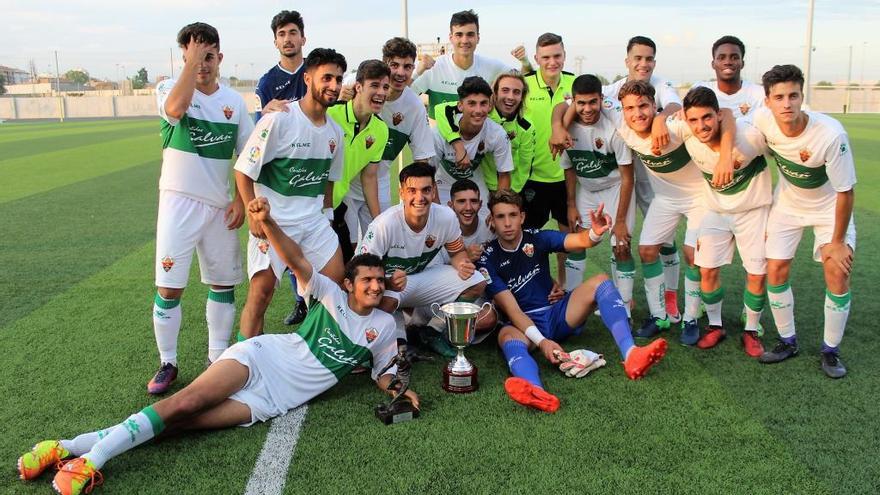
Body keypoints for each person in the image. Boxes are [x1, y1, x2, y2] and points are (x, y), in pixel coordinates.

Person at [16, 198, 417, 495]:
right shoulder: (329, 292)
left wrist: (399, 391)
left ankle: (63, 448)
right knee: (184, 403)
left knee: (182, 425)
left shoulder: (383, 325)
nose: (374, 286)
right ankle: (89, 462)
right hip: (261, 358)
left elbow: (383, 371)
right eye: (366, 279)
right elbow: (295, 259)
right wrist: (269, 222)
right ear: (349, 283)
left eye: (379, 281)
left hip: (272, 400)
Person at [477, 190, 667, 413]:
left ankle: (632, 353)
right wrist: (542, 342)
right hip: (523, 324)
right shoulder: (487, 259)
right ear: (492, 220)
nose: (507, 223)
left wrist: (595, 233)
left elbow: (578, 240)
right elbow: (513, 310)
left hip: (557, 314)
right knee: (506, 336)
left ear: (522, 217)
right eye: (500, 217)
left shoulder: (537, 238)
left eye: (512, 215)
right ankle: (537, 391)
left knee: (601, 282)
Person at [148, 22, 254, 395]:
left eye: (208, 57)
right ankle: (168, 361)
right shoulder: (170, 89)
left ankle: (217, 358)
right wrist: (189, 68)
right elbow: (175, 109)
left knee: (222, 283)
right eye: (194, 57)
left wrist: (241, 200)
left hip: (219, 207)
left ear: (220, 57)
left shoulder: (234, 103)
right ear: (184, 58)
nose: (202, 65)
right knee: (169, 287)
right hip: (178, 202)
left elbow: (247, 155)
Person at [234, 48, 347, 339]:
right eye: (326, 78)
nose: (333, 86)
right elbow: (243, 171)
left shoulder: (335, 133)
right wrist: (253, 216)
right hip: (274, 222)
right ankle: (246, 364)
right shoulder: (279, 120)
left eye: (338, 79)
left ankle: (313, 351)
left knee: (334, 285)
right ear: (308, 78)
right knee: (261, 295)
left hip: (312, 223)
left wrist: (328, 217)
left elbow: (328, 183)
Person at [752, 65, 856, 378]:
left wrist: (836, 242)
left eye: (793, 95)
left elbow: (846, 192)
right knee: (776, 270)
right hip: (787, 205)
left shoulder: (830, 134)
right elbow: (732, 122)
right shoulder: (761, 119)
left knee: (836, 271)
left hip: (829, 208)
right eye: (779, 97)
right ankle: (787, 340)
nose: (787, 103)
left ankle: (830, 351)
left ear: (802, 96)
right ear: (768, 101)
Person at [613, 80, 734, 344]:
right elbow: (575, 102)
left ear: (653, 105)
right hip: (666, 198)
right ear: (622, 110)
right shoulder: (623, 126)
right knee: (646, 251)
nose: (637, 113)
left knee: (693, 255)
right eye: (629, 108)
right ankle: (660, 316)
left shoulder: (676, 126)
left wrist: (663, 117)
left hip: (699, 197)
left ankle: (690, 318)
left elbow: (727, 119)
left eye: (643, 106)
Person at [357, 162, 488, 357]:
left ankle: (432, 331)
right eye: (412, 190)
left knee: (476, 281)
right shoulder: (384, 225)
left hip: (421, 279)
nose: (419, 197)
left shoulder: (445, 217)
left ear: (434, 190)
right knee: (388, 300)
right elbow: (360, 274)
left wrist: (462, 264)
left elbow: (457, 252)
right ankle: (388, 343)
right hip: (390, 287)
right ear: (401, 192)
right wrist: (386, 283)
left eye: (426, 190)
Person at [680, 86, 772, 355]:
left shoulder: (750, 137)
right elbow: (665, 119)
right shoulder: (687, 134)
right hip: (716, 211)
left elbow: (779, 152)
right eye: (694, 120)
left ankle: (751, 330)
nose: (701, 126)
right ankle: (716, 325)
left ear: (718, 115)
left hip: (753, 212)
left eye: (707, 117)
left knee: (756, 273)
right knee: (706, 269)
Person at [601, 36, 686, 321]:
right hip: (620, 174)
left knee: (664, 239)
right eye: (637, 58)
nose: (643, 64)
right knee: (619, 237)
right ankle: (623, 301)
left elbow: (676, 107)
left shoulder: (661, 85)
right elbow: (576, 100)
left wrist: (661, 118)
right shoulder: (613, 89)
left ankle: (670, 298)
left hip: (654, 176)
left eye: (649, 58)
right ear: (627, 61)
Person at [559, 75, 636, 317]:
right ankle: (571, 301)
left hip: (615, 189)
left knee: (621, 247)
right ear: (573, 102)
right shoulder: (566, 128)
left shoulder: (615, 128)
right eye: (581, 103)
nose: (587, 108)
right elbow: (569, 168)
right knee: (577, 243)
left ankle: (623, 307)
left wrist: (621, 220)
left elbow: (627, 177)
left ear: (601, 99)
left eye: (593, 102)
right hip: (586, 191)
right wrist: (571, 204)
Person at [253, 10, 311, 326]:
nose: (288, 39)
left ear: (303, 37)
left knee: (320, 241)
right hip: (284, 176)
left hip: (315, 170)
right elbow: (260, 126)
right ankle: (301, 302)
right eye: (281, 34)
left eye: (292, 32)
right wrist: (265, 111)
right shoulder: (268, 81)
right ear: (275, 41)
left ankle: (317, 299)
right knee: (285, 244)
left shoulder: (315, 72)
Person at [521, 33, 575, 286]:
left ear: (564, 55)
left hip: (568, 177)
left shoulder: (575, 85)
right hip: (533, 177)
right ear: (536, 58)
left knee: (568, 236)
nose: (552, 62)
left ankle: (565, 286)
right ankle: (536, 284)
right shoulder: (524, 85)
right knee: (528, 238)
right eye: (546, 57)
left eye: (557, 56)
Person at [328, 60, 390, 260]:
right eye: (375, 85)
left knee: (341, 270)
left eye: (385, 87)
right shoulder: (331, 114)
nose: (381, 92)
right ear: (358, 87)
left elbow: (369, 178)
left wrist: (379, 221)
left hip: (335, 207)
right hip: (307, 206)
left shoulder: (381, 130)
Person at [436, 71, 536, 194]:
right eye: (505, 90)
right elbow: (442, 109)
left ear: (522, 96)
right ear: (495, 93)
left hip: (504, 185)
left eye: (516, 92)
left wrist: (510, 193)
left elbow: (524, 166)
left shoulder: (525, 127)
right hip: (480, 181)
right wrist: (458, 145)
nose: (510, 97)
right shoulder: (483, 110)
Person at [411, 9, 512, 120]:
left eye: (470, 35)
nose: (464, 40)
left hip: (478, 137)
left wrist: (524, 61)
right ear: (451, 38)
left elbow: (524, 80)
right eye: (459, 35)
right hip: (439, 137)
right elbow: (403, 96)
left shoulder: (492, 66)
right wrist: (417, 72)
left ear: (478, 38)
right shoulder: (433, 67)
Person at [430, 76, 513, 209]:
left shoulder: (497, 134)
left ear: (490, 105)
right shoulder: (438, 133)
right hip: (443, 183)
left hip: (474, 183)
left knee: (489, 226)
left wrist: (497, 209)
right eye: (472, 103)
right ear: (460, 105)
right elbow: (427, 175)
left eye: (483, 103)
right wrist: (437, 209)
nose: (478, 110)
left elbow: (504, 174)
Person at [692, 35, 764, 120]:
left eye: (734, 57)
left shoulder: (759, 94)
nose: (727, 62)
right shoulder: (700, 90)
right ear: (713, 64)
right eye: (721, 58)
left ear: (742, 64)